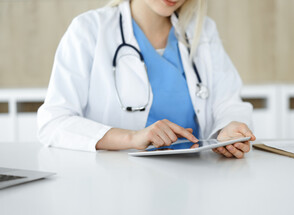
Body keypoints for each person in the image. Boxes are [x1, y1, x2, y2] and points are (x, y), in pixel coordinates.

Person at [37, 0, 256, 159]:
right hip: (116, 186)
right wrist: (132, 138)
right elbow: (54, 122)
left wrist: (227, 129)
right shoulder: (89, 30)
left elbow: (229, 103)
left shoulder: (203, 31)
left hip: (196, 182)